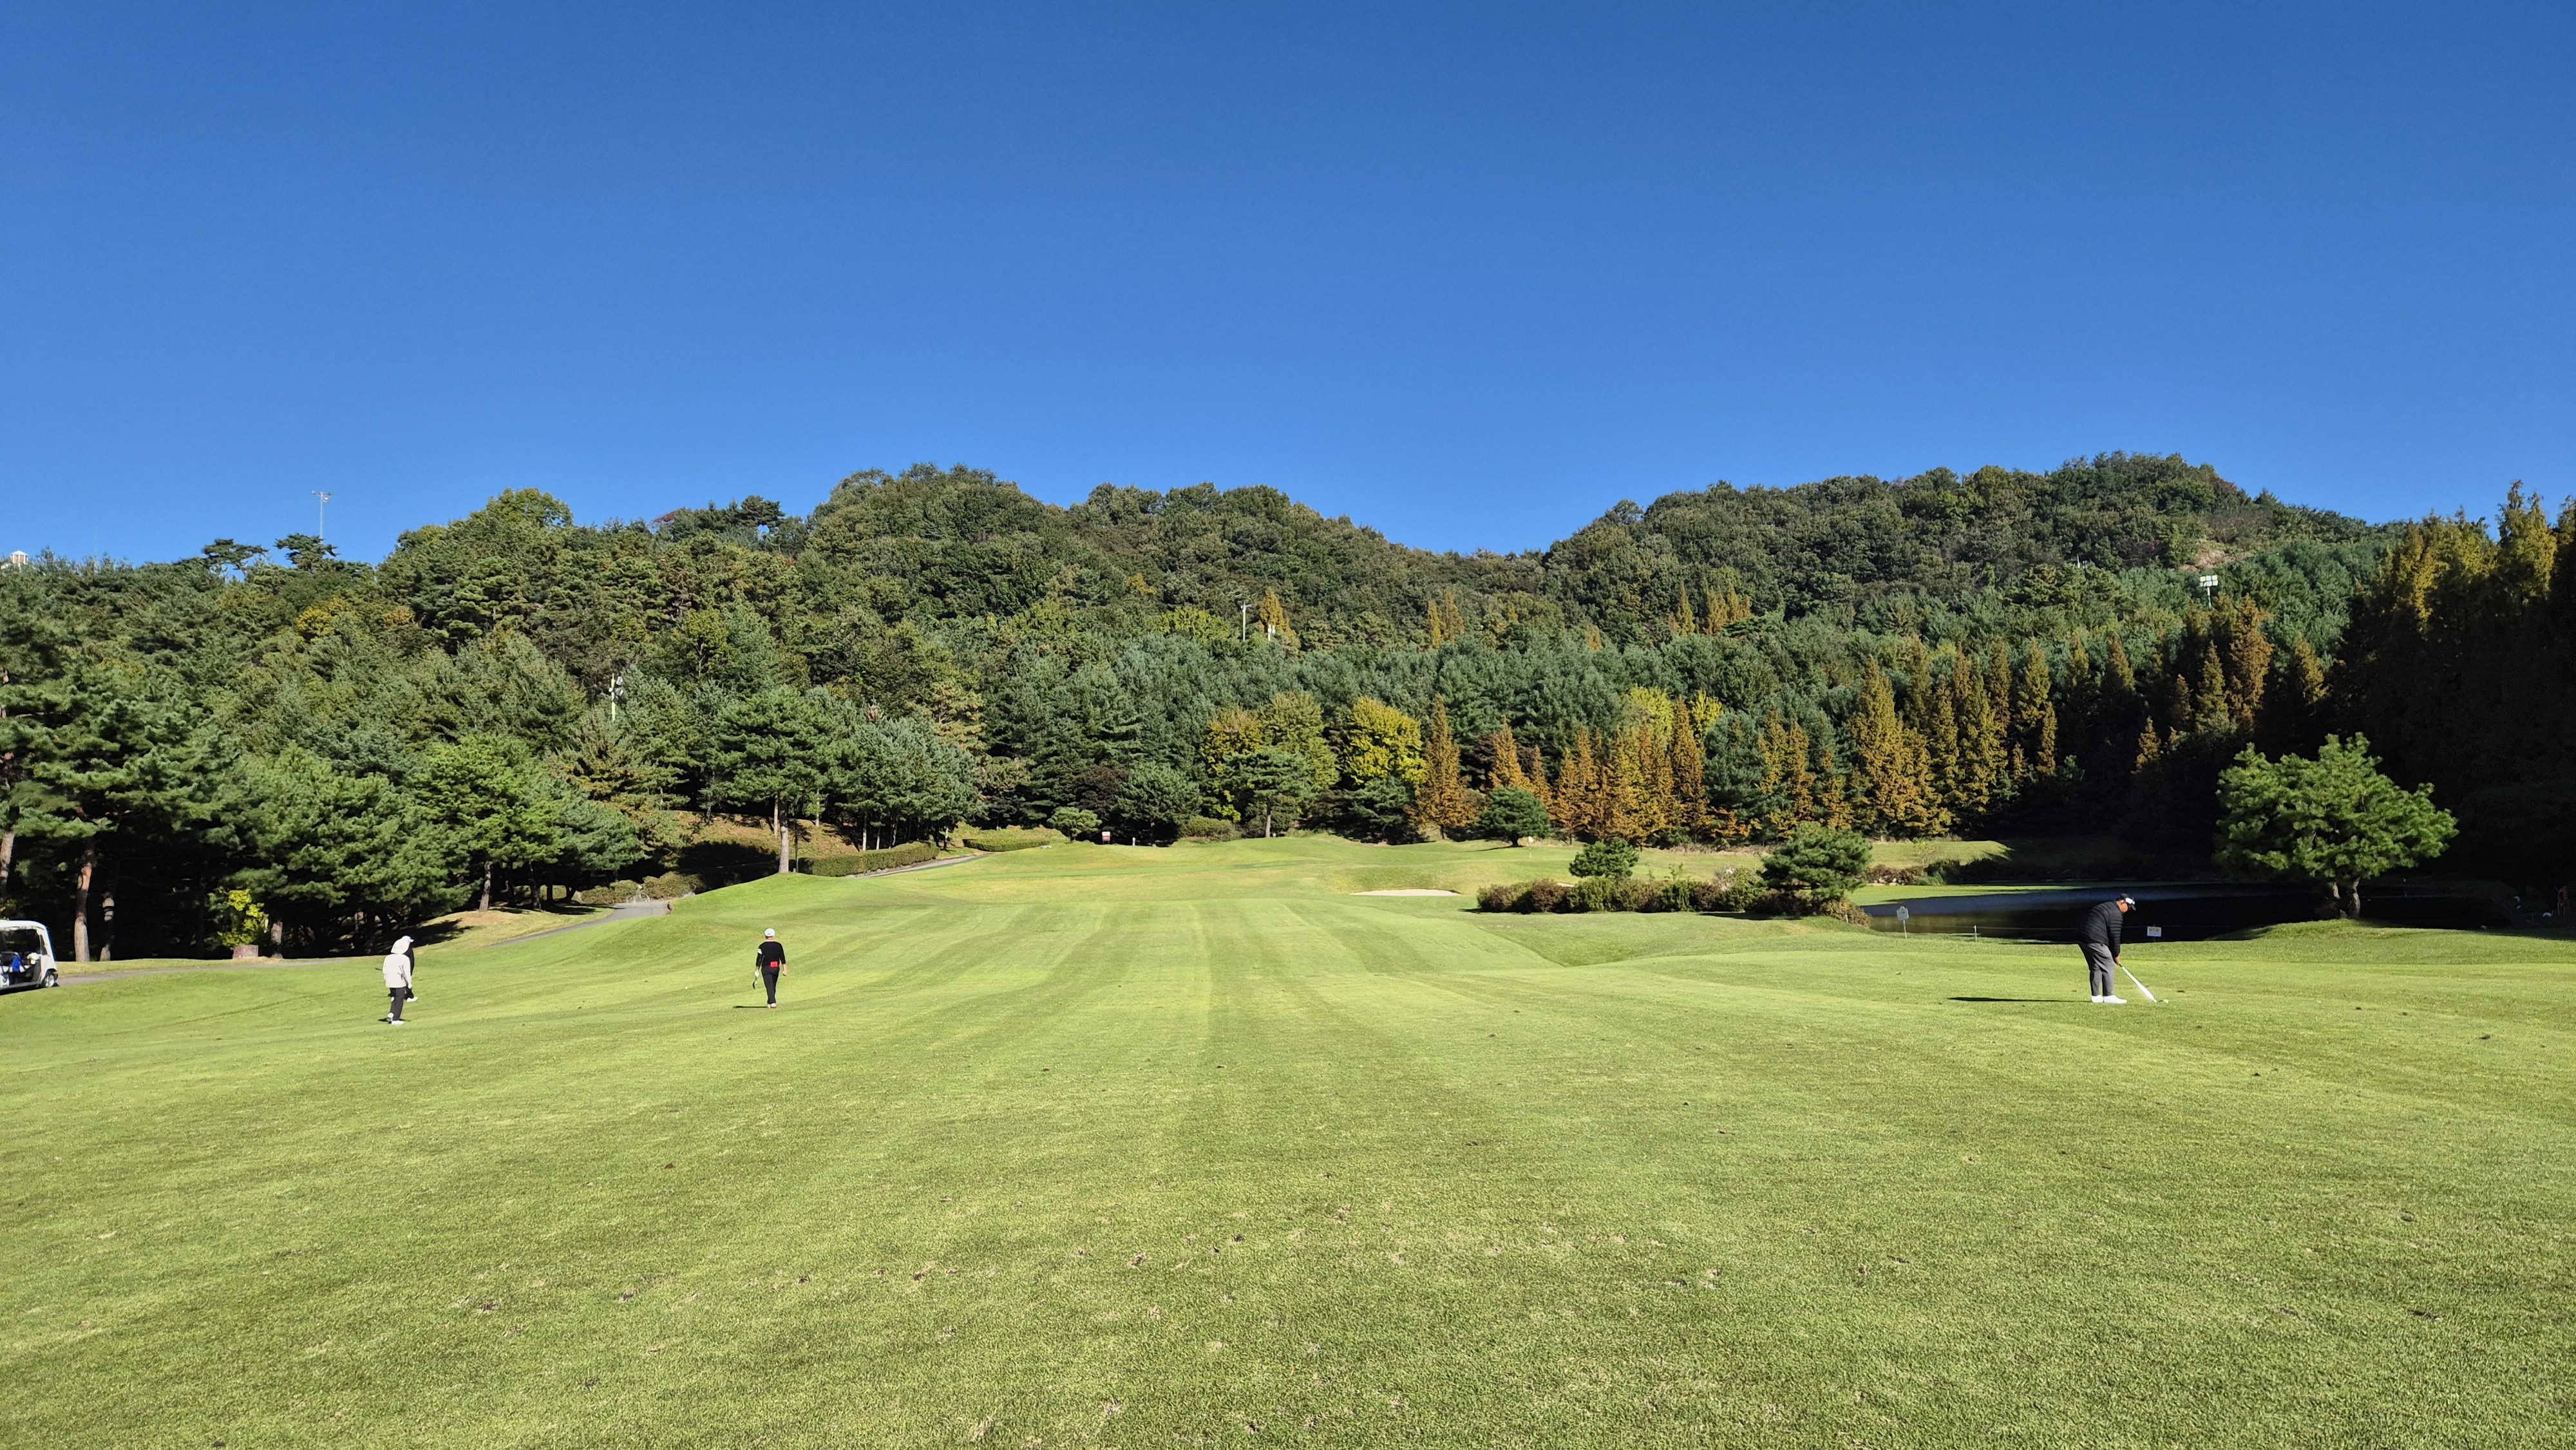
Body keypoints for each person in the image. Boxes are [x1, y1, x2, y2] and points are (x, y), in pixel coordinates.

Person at [2079, 895, 2134, 1004]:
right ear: (2123, 903)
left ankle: (2096, 997)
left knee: (2096, 966)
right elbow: (2115, 936)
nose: (2128, 910)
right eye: (2128, 907)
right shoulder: (2116, 914)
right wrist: (2116, 955)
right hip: (2094, 938)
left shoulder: (2108, 907)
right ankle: (2109, 996)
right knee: (2108, 964)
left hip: (2082, 937)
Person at [382, 934, 415, 1025]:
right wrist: (409, 983)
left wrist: (386, 979)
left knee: (394, 997)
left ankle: (392, 1013)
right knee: (400, 999)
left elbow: (385, 970)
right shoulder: (404, 959)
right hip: (399, 982)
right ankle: (396, 1019)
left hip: (390, 982)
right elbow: (407, 973)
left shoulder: (388, 958)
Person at [755, 928, 785, 1008]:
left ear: (765, 936)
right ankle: (770, 1002)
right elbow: (782, 958)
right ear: (774, 935)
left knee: (769, 985)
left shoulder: (762, 946)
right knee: (773, 985)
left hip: (766, 968)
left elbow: (759, 959)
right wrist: (785, 970)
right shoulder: (778, 945)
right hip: (776, 968)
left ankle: (772, 1002)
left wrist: (757, 970)